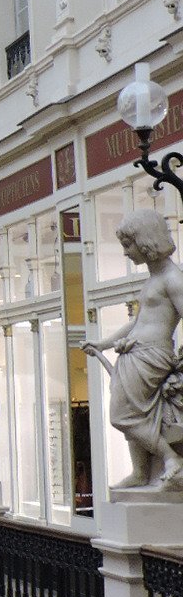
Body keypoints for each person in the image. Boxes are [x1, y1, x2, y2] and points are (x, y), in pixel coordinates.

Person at [84, 209, 183, 488]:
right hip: (135, 353)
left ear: (147, 241)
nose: (126, 252)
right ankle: (140, 472)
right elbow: (138, 321)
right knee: (137, 412)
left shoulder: (173, 279)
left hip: (151, 356)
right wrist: (103, 343)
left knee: (122, 415)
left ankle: (170, 457)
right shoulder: (154, 279)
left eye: (129, 245)